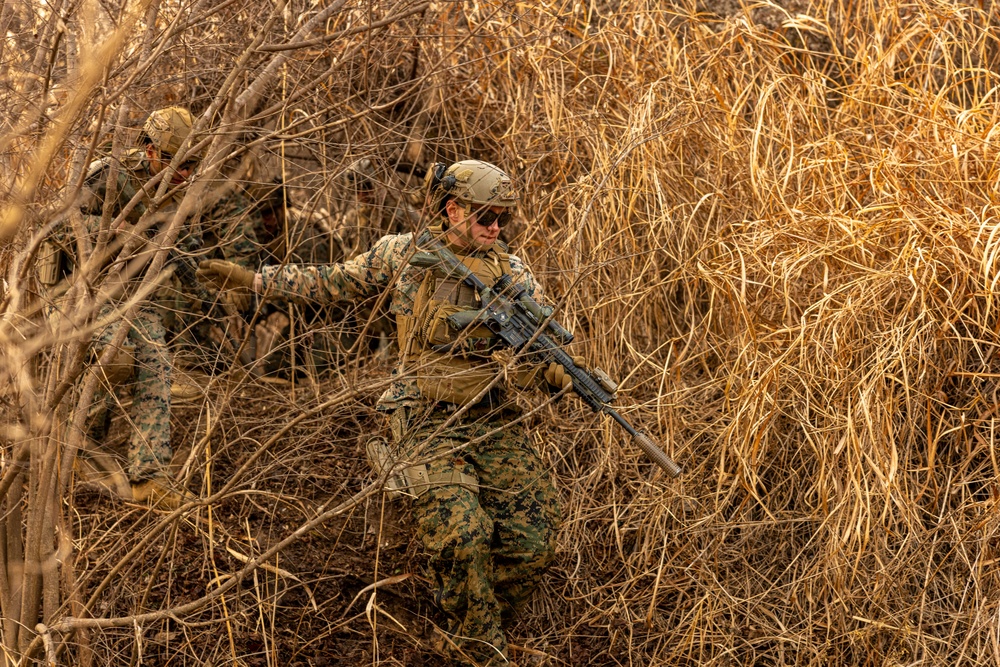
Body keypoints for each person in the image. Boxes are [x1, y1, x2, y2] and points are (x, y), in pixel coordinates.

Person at [197, 160, 568, 665]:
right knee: (463, 535)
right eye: (485, 215)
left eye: (503, 217)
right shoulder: (406, 254)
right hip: (421, 415)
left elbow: (538, 342)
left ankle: (471, 624)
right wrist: (254, 279)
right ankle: (482, 646)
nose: (495, 227)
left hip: (489, 412)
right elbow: (331, 282)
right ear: (452, 208)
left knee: (535, 540)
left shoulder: (512, 272)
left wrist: (552, 372)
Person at [80, 106, 204, 505]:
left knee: (155, 359)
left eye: (190, 164)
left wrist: (208, 277)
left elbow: (190, 253)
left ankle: (149, 476)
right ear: (148, 149)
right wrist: (117, 236)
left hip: (136, 293)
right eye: (172, 161)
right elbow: (64, 229)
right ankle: (81, 450)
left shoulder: (185, 190)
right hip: (84, 289)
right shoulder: (108, 175)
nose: (181, 172)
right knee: (112, 358)